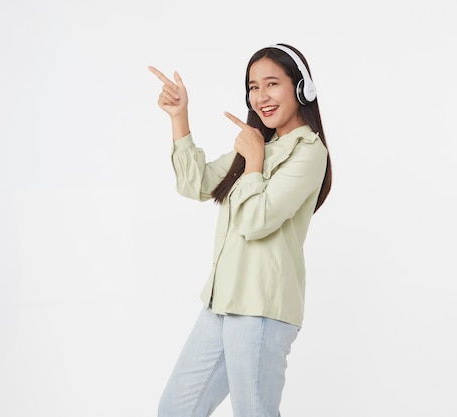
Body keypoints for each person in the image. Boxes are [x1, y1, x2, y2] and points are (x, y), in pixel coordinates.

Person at [148, 43, 332, 417]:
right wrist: (179, 117)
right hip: (222, 302)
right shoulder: (258, 144)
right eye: (252, 87)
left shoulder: (308, 152)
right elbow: (195, 184)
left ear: (301, 89)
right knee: (175, 409)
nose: (260, 96)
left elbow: (256, 220)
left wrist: (254, 160)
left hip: (261, 307)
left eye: (271, 84)